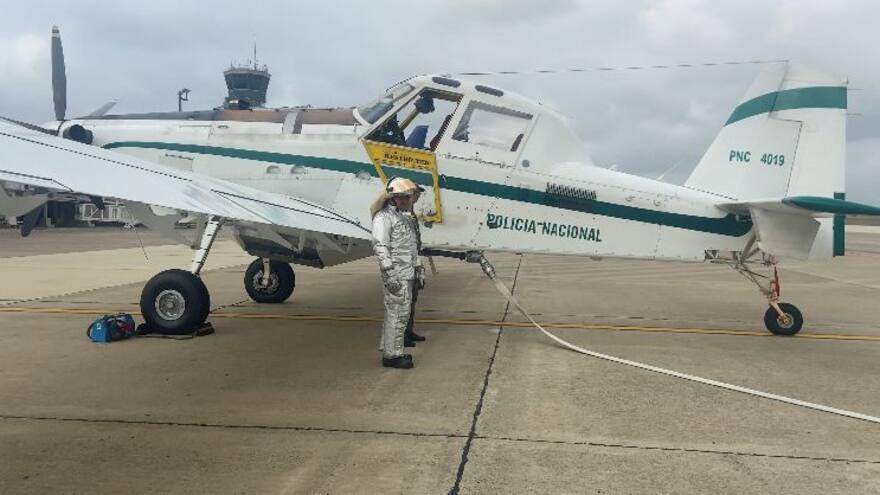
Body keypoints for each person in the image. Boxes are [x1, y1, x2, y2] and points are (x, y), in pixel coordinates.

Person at [370, 177, 423, 369]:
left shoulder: (404, 217)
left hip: (407, 273)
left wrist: (419, 268)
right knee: (397, 313)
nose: (409, 201)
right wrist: (389, 272)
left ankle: (390, 348)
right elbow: (380, 246)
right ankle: (392, 356)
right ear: (394, 198)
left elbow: (412, 248)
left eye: (409, 197)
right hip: (395, 274)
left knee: (400, 312)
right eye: (404, 198)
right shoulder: (383, 218)